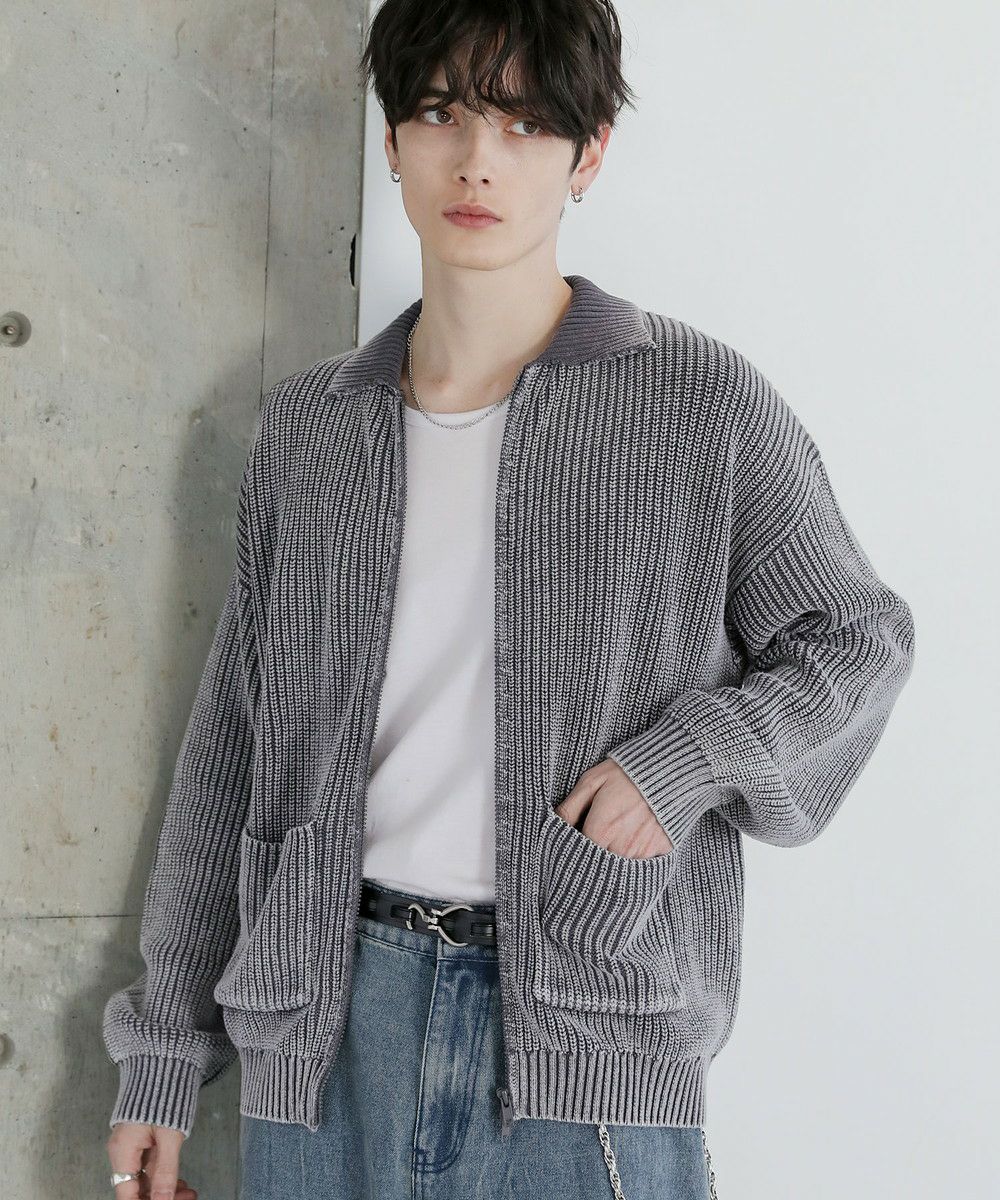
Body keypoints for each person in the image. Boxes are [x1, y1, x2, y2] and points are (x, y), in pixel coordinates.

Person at [103, 2, 916, 1197]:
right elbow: (231, 739)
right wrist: (165, 1057)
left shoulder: (696, 406)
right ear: (393, 141)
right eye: (442, 112)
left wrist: (678, 766)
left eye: (526, 122)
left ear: (589, 155)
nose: (478, 159)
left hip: (586, 1049)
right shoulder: (311, 430)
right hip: (323, 1042)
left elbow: (854, 639)